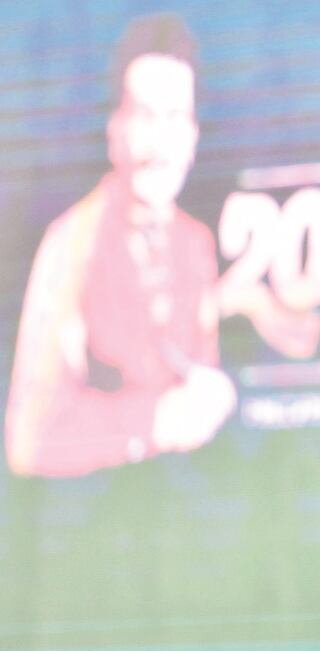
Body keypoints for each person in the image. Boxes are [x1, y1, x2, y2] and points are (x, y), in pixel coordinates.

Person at [5, 14, 235, 478]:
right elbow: (28, 441)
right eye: (145, 116)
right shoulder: (73, 243)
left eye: (175, 118)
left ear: (193, 138)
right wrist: (154, 420)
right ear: (115, 132)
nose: (160, 143)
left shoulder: (195, 243)